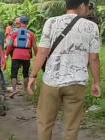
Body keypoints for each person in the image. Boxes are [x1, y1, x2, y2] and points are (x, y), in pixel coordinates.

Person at [27, 0, 101, 140]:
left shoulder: (51, 22)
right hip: (76, 83)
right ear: (82, 6)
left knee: (45, 123)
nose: (88, 10)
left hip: (51, 82)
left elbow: (42, 51)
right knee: (71, 126)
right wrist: (96, 82)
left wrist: (33, 75)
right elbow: (94, 58)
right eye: (88, 7)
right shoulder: (91, 27)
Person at [6, 16, 37, 98]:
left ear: (20, 23)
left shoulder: (14, 33)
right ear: (27, 23)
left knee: (14, 73)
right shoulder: (31, 34)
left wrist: (6, 54)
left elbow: (9, 45)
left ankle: (14, 89)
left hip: (16, 54)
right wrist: (37, 56)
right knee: (25, 73)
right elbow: (34, 47)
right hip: (26, 55)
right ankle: (26, 89)